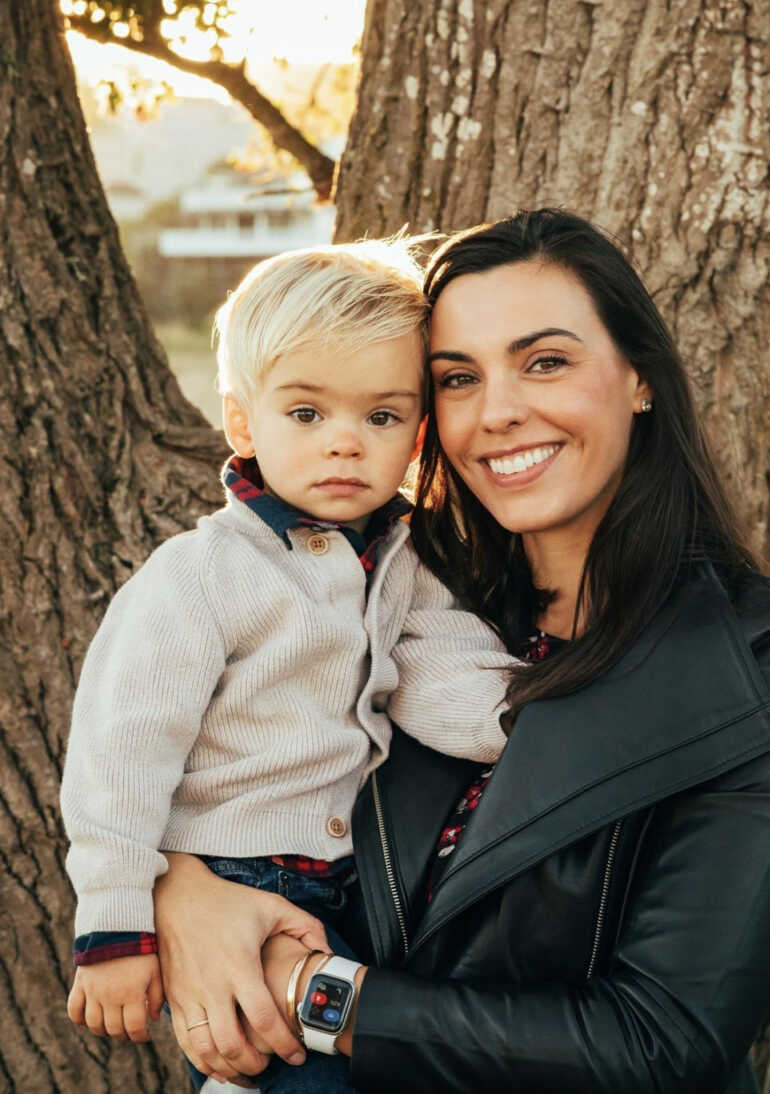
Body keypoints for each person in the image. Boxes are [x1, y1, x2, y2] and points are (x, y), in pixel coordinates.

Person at [153, 209, 770, 1094]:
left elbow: (661, 1040)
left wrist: (320, 996)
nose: (499, 413)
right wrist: (181, 887)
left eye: (546, 361)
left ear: (640, 377)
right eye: (457, 378)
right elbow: (221, 758)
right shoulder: (384, 597)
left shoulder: (758, 654)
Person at [60, 239, 516, 1091]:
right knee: (283, 1066)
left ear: (417, 433)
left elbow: (440, 664)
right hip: (234, 873)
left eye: (380, 418)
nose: (345, 444)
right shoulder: (205, 573)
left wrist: (531, 720)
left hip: (356, 883)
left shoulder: (404, 560)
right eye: (307, 415)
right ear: (245, 423)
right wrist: (116, 927)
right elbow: (121, 754)